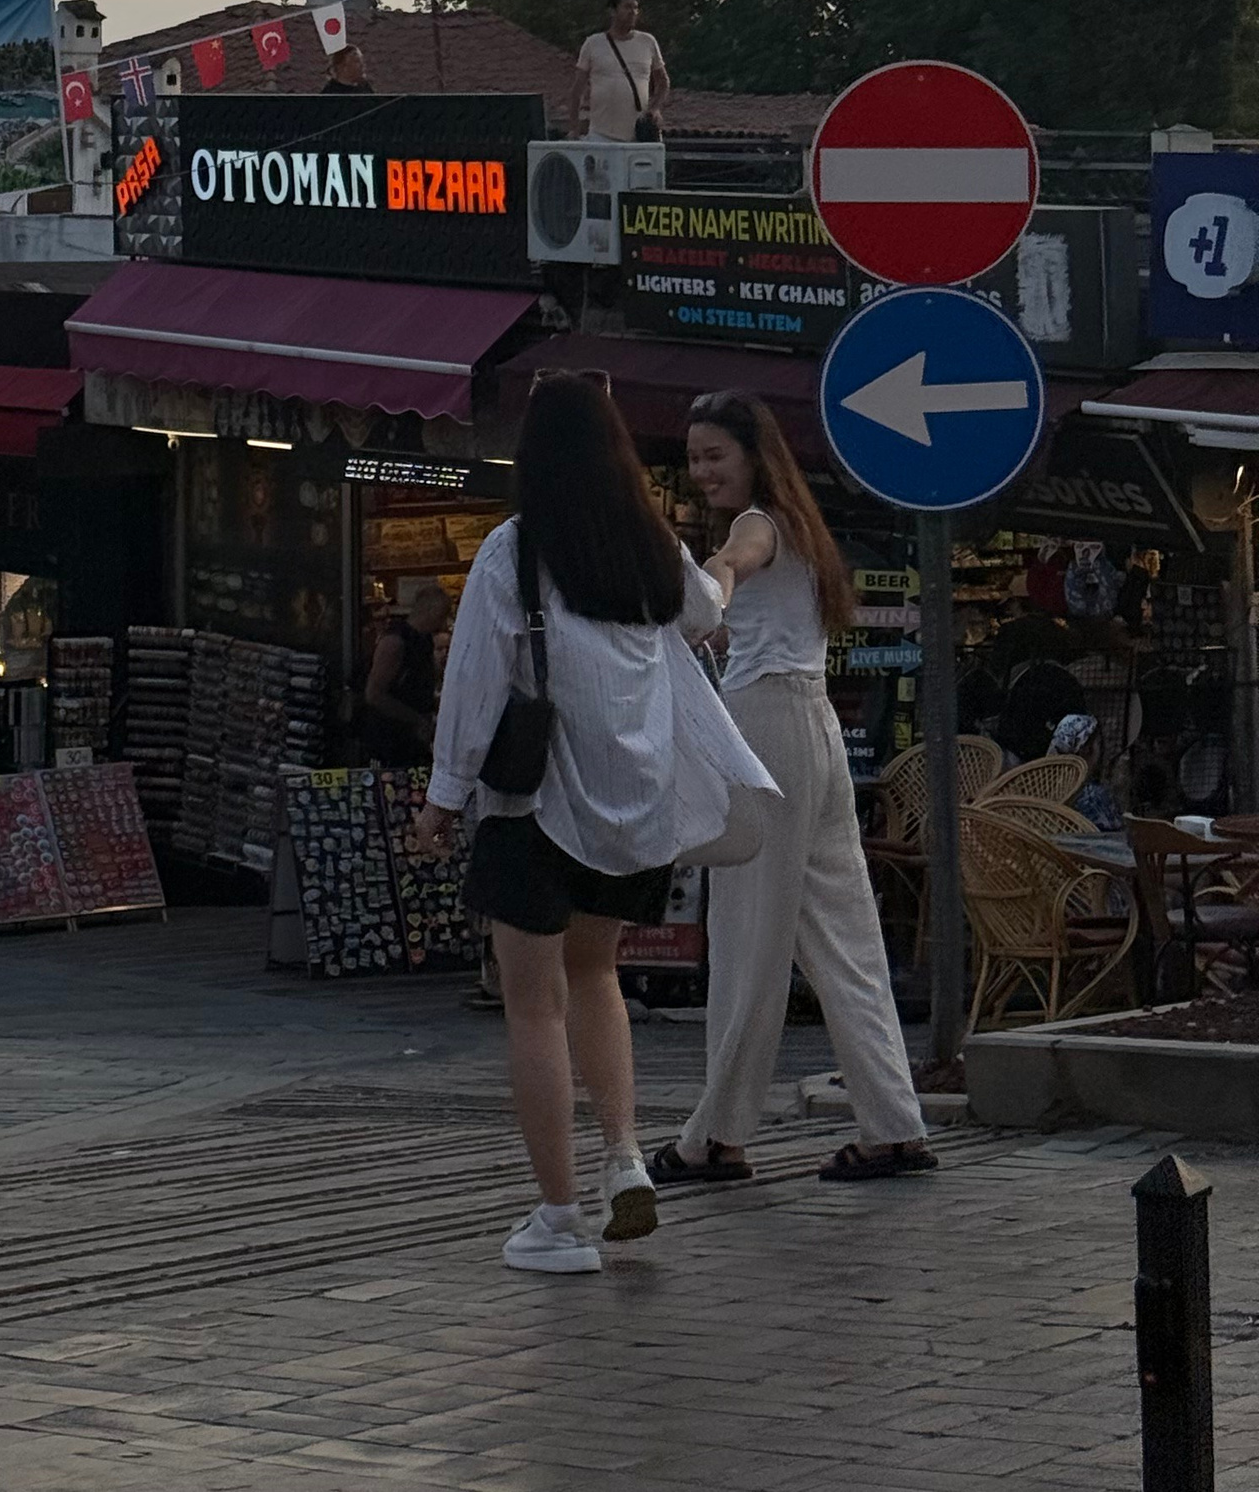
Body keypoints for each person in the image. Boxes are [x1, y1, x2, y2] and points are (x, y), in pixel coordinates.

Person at [410, 372, 775, 1274]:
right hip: (635, 810)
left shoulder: (514, 551)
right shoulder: (648, 546)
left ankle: (559, 1218)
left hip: (536, 807)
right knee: (597, 972)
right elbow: (702, 611)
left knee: (532, 1003)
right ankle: (622, 1162)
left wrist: (443, 795)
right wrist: (729, 562)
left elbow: (474, 682)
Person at [658, 391, 933, 1189]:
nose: (703, 471)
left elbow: (731, 564)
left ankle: (714, 1139)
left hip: (762, 728)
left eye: (715, 455)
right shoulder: (804, 530)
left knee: (745, 937)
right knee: (846, 939)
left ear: (752, 456)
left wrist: (706, 587)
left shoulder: (758, 525)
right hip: (813, 730)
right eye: (695, 457)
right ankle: (893, 1126)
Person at [362, 585, 451, 765]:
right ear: (431, 611)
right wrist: (415, 719)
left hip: (414, 739)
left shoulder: (424, 641)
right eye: (442, 615)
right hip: (389, 739)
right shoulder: (395, 641)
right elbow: (374, 695)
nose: (444, 621)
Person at [573, 0, 668, 141]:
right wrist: (574, 129)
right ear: (612, 11)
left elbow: (663, 81)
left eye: (635, 8)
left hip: (639, 134)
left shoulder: (648, 42)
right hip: (601, 134)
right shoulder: (593, 43)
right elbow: (577, 89)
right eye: (627, 7)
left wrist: (655, 108)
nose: (633, 12)